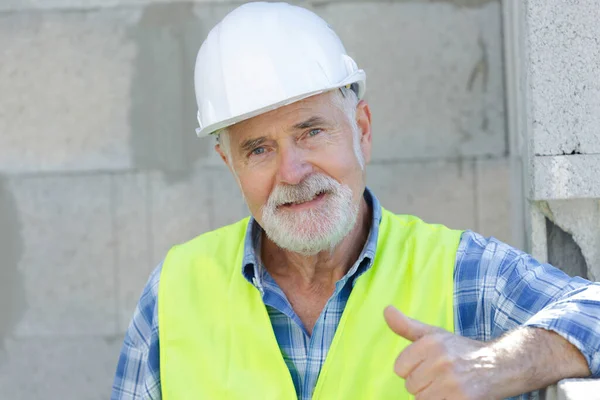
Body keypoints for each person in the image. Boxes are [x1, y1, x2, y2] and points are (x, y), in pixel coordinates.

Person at [111, 2, 600, 399]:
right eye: (259, 149)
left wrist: (503, 362)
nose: (292, 171)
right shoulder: (174, 293)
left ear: (360, 131)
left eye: (312, 132)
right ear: (231, 165)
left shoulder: (460, 274)